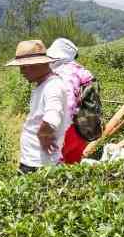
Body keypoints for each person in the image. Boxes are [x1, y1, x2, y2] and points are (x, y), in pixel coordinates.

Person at [5, 40, 69, 173]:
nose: (21, 72)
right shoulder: (43, 85)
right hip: (34, 160)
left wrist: (43, 132)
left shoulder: (53, 86)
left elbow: (53, 116)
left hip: (39, 164)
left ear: (38, 64)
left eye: (24, 67)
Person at [46, 38, 98, 164]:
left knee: (55, 166)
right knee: (73, 164)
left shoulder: (64, 72)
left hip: (68, 128)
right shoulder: (82, 71)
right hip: (84, 127)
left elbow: (68, 102)